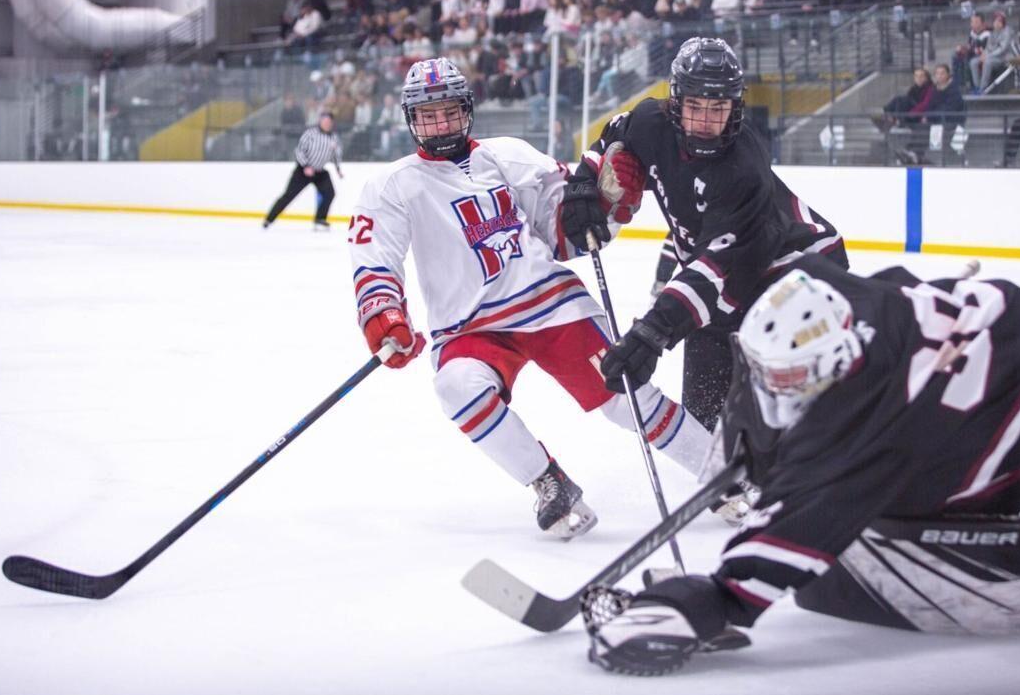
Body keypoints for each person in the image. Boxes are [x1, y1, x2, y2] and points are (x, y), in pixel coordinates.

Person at [585, 256, 1020, 675]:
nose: (774, 384)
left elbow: (795, 532)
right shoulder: (824, 291)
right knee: (939, 434)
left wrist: (709, 603)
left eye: (789, 378)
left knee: (876, 534)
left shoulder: (865, 418)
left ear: (836, 360)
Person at [346, 58, 711, 539]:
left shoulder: (508, 156)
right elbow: (375, 259)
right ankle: (548, 482)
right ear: (411, 119)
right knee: (456, 385)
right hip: (469, 327)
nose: (441, 123)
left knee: (625, 398)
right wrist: (384, 315)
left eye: (449, 111)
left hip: (549, 302)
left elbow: (566, 233)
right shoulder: (392, 185)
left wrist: (604, 205)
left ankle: (725, 470)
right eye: (428, 115)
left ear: (468, 110)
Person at [558, 37, 847, 438]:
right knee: (702, 419)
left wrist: (653, 331)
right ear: (675, 103)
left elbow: (719, 268)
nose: (704, 122)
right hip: (719, 280)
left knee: (790, 413)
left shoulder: (743, 168)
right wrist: (582, 186)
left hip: (796, 278)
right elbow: (613, 136)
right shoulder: (650, 121)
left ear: (735, 108)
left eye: (717, 109)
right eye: (694, 107)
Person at [263, 112, 343, 230]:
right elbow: (299, 151)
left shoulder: (334, 138)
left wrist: (338, 169)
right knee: (289, 195)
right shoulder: (310, 134)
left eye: (328, 122)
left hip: (320, 172)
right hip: (303, 171)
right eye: (324, 121)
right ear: (320, 121)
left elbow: (335, 155)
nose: (326, 124)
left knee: (330, 193)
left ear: (331, 123)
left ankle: (320, 219)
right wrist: (306, 166)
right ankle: (269, 219)